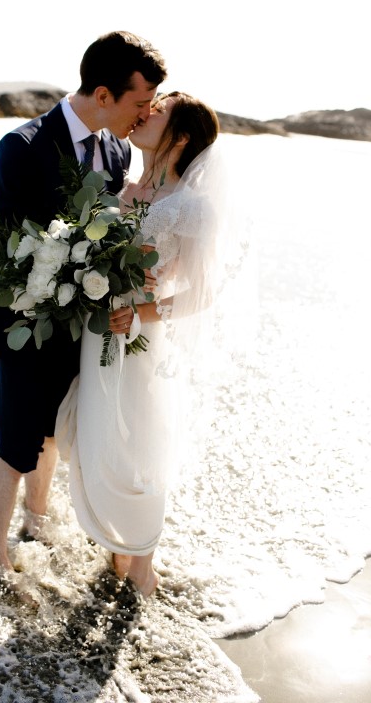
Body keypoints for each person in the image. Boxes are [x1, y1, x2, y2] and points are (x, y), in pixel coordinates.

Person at [0, 31, 168, 577]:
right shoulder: (23, 146)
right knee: (15, 447)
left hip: (83, 327)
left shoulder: (117, 148)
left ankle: (37, 521)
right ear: (103, 94)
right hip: (26, 320)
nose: (145, 112)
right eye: (139, 101)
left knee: (55, 433)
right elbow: (14, 246)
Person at [56, 92, 256, 597]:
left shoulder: (192, 208)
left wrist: (142, 312)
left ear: (181, 137)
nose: (145, 113)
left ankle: (143, 562)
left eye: (158, 111)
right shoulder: (119, 191)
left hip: (143, 342)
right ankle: (115, 550)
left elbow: (203, 293)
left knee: (141, 445)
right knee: (99, 439)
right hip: (99, 334)